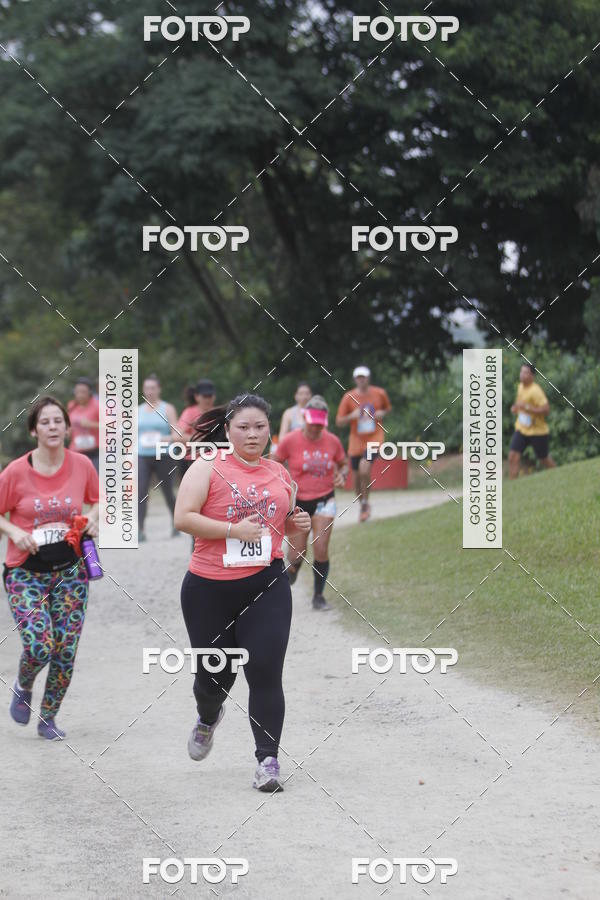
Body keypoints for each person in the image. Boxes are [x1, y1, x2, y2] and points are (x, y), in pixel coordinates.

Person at [174, 394, 311, 792]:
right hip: (208, 589)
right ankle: (208, 716)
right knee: (214, 678)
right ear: (227, 430)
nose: (252, 434)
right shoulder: (207, 467)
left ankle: (268, 760)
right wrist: (233, 530)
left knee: (265, 671)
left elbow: (280, 522)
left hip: (265, 584)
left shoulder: (279, 473)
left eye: (260, 427)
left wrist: (295, 524)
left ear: (270, 431)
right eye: (243, 427)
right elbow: (183, 518)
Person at [0, 396, 99, 740]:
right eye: (45, 422)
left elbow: (99, 500)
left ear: (68, 428)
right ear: (34, 431)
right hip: (25, 573)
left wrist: (93, 519)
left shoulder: (82, 464)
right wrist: (13, 531)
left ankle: (48, 718)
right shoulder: (15, 472)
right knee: (41, 645)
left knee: (65, 650)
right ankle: (24, 684)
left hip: (71, 572)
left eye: (58, 421)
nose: (53, 427)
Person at [275, 396, 348, 610]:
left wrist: (342, 474)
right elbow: (275, 462)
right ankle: (292, 570)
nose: (315, 428)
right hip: (298, 503)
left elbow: (343, 463)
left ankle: (318, 596)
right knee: (296, 554)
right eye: (312, 423)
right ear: (304, 418)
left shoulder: (333, 441)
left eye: (319, 424)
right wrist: (283, 484)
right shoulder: (290, 440)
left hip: (325, 499)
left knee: (321, 548)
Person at [336, 366, 391, 522]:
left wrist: (382, 413)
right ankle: (363, 505)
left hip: (375, 437)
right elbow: (339, 421)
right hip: (356, 441)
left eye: (364, 377)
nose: (361, 380)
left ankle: (365, 503)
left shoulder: (379, 393)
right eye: (359, 377)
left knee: (364, 467)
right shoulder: (348, 397)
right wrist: (351, 416)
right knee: (356, 481)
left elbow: (387, 409)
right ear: (355, 379)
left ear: (368, 378)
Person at [138, 374, 180, 541]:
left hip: (164, 454)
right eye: (147, 388)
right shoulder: (137, 410)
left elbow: (177, 434)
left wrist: (165, 438)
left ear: (159, 389)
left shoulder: (167, 408)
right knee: (141, 491)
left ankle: (176, 523)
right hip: (142, 455)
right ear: (143, 390)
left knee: (168, 491)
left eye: (153, 388)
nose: (150, 391)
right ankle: (140, 530)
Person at [508, 363, 556, 478]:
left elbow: (546, 409)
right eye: (521, 372)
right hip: (522, 429)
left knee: (544, 459)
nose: (522, 375)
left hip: (537, 431)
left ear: (532, 376)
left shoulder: (536, 391)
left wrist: (528, 408)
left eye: (525, 373)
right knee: (512, 456)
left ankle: (557, 474)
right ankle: (513, 485)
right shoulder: (520, 387)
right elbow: (520, 403)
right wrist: (516, 408)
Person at [176, 379, 217, 479]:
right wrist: (200, 439)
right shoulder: (190, 412)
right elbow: (177, 436)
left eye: (210, 396)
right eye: (204, 396)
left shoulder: (217, 413)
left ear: (214, 397)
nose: (207, 399)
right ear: (197, 397)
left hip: (212, 459)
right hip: (190, 459)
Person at [67, 377, 100, 471]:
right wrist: (68, 431)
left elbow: (111, 426)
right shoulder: (71, 405)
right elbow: (68, 425)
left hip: (95, 452)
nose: (80, 395)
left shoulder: (97, 405)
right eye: (77, 391)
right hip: (76, 451)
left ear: (90, 392)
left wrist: (91, 424)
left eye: (83, 392)